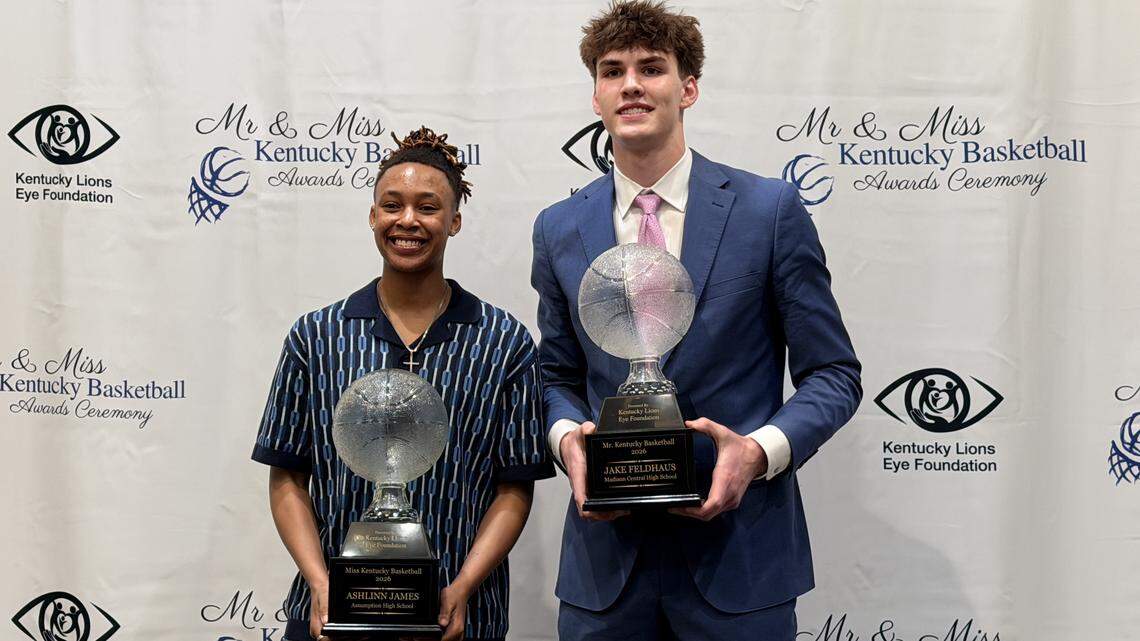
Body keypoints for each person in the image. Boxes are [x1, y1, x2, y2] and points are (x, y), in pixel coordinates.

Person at [530, 2, 862, 639]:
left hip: (740, 562)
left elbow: (834, 374)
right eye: (612, 71)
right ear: (596, 95)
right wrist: (566, 440)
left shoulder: (769, 211)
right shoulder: (558, 228)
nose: (631, 84)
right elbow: (556, 376)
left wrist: (758, 454)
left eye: (651, 68)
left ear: (688, 89)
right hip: (606, 572)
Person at [254, 127, 554, 641]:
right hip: (333, 619)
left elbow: (513, 488)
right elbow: (286, 478)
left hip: (456, 619)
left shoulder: (505, 342)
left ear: (454, 221)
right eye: (392, 205)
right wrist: (321, 584)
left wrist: (461, 588)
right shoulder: (316, 336)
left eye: (428, 207)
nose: (408, 221)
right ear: (372, 216)